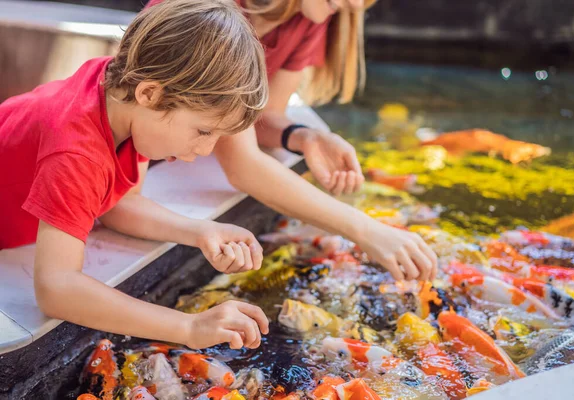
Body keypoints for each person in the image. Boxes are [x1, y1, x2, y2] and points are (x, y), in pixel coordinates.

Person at [0, 0, 270, 351]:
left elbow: (116, 205)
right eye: (204, 132)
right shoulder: (76, 148)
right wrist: (188, 327)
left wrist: (202, 231)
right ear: (150, 93)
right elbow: (57, 288)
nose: (206, 151)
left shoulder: (124, 100)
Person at [146, 0, 376, 196]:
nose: (356, 5)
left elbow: (262, 115)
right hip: (136, 159)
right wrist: (363, 230)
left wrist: (304, 137)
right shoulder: (210, 12)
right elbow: (241, 164)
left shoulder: (311, 14)